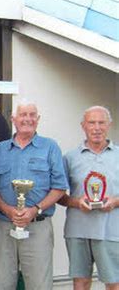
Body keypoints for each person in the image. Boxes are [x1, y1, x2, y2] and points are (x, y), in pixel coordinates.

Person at [0, 100, 68, 290]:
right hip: (4, 226)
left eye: (32, 115)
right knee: (1, 284)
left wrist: (35, 210)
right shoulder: (0, 150)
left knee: (39, 284)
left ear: (38, 119)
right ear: (13, 119)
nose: (28, 119)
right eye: (23, 115)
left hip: (37, 226)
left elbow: (59, 187)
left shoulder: (50, 147)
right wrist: (7, 210)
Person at [59, 106, 119, 290]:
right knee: (81, 282)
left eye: (101, 122)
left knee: (114, 282)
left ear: (109, 125)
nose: (97, 128)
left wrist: (115, 201)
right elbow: (59, 195)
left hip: (110, 230)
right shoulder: (70, 157)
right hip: (78, 230)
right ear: (83, 126)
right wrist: (77, 202)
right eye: (92, 123)